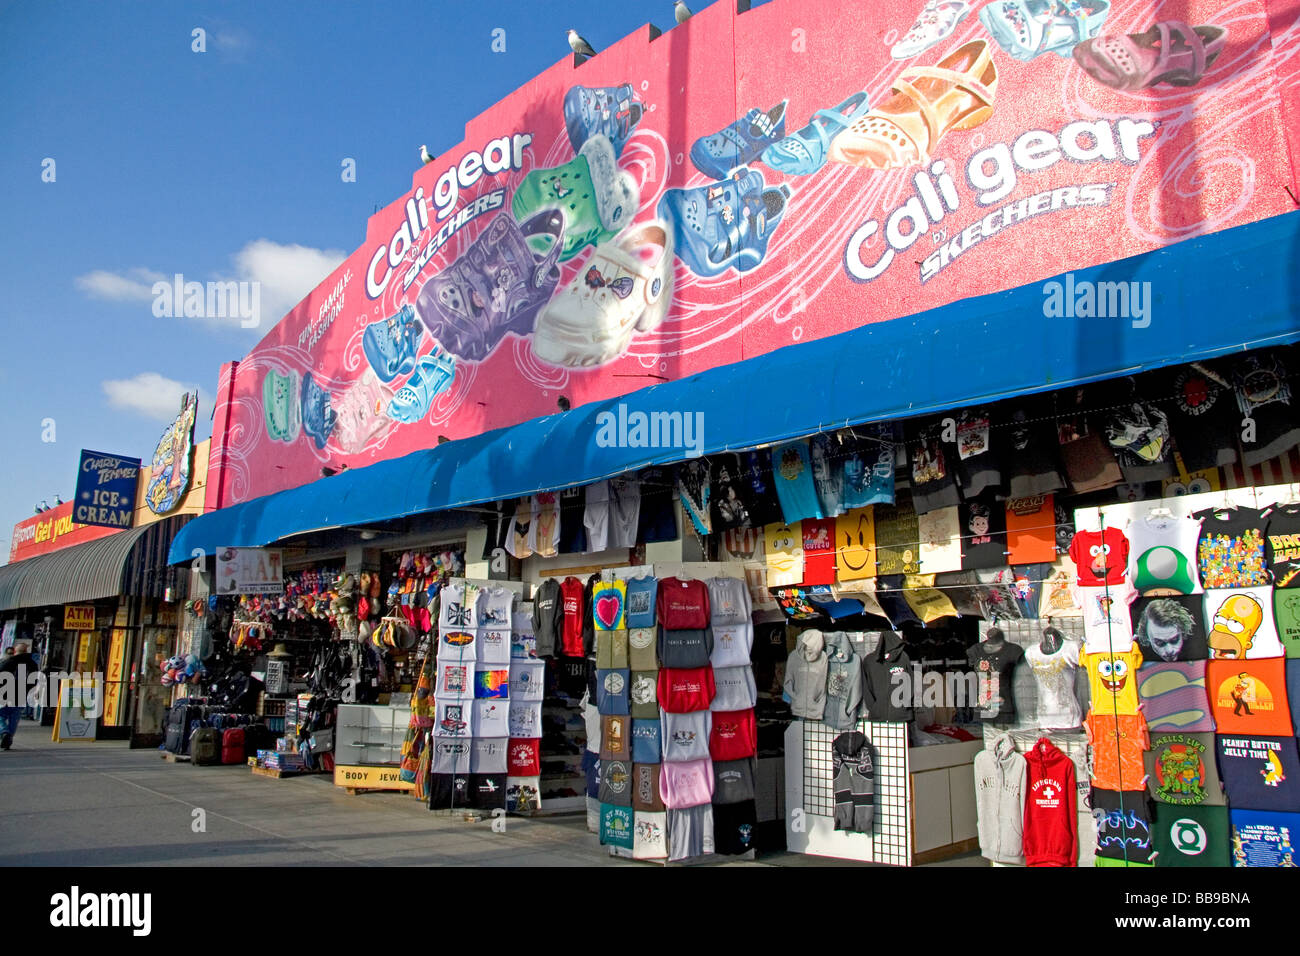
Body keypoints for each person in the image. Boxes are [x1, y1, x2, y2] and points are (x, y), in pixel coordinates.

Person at [0, 643, 37, 749]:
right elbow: (34, 680)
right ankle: (8, 739)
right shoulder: (32, 664)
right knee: (14, 718)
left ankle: (4, 732)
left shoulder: (9, 662)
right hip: (21, 694)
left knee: (1, 715)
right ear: (26, 651)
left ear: (16, 651)